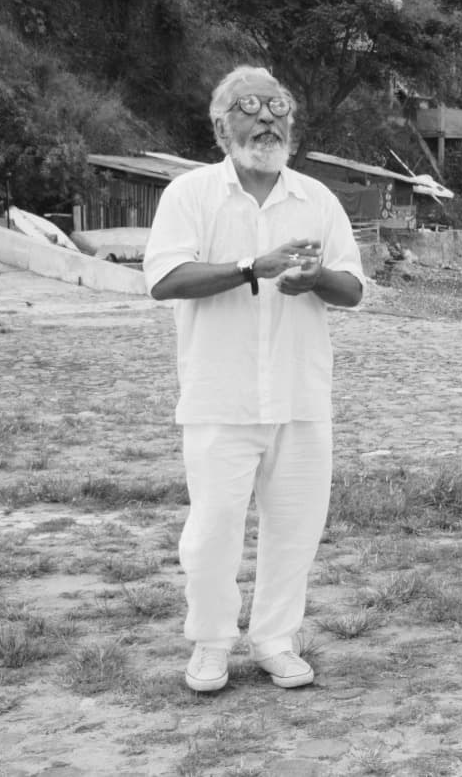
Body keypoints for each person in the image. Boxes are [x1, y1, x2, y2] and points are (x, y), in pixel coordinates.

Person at [143, 65, 365, 693]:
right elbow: (164, 278)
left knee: (295, 530)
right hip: (221, 395)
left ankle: (275, 640)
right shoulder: (190, 194)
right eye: (249, 109)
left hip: (300, 395)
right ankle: (211, 643)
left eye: (277, 109)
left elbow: (352, 287)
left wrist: (315, 279)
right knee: (212, 534)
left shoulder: (317, 199)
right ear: (221, 128)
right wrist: (252, 267)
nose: (266, 120)